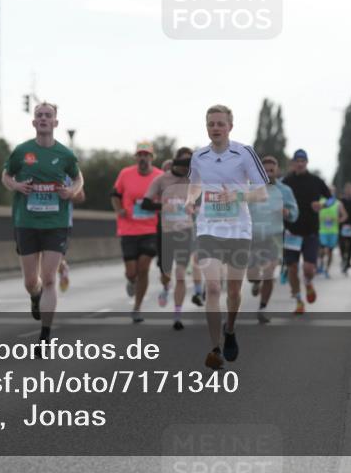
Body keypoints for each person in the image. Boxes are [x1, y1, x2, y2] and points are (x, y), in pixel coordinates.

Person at [185, 105, 268, 369]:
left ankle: (230, 328)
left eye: (220, 124)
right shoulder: (199, 156)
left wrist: (237, 195)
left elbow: (262, 193)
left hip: (238, 229)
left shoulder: (244, 153)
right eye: (211, 124)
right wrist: (189, 199)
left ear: (230, 126)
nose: (215, 128)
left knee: (233, 290)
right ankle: (215, 348)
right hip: (208, 228)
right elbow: (195, 184)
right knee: (212, 287)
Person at [1, 102, 83, 355]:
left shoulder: (66, 155)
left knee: (49, 278)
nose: (44, 119)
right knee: (30, 281)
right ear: (34, 122)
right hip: (26, 222)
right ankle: (34, 297)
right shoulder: (22, 151)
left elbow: (79, 178)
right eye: (40, 116)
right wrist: (15, 186)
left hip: (55, 224)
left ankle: (45, 336)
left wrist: (71, 191)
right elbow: (6, 175)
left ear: (56, 122)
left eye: (48, 116)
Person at [142, 146, 195, 330]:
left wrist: (194, 208)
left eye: (190, 162)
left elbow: (204, 203)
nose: (186, 167)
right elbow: (146, 203)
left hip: (185, 231)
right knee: (166, 274)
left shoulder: (193, 181)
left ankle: (177, 315)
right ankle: (165, 287)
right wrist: (162, 207)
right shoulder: (162, 179)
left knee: (180, 275)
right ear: (175, 161)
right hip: (165, 232)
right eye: (183, 162)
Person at [111, 142, 164, 323]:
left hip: (150, 228)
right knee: (131, 272)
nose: (143, 158)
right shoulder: (125, 174)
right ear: (136, 158)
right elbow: (115, 195)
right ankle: (131, 281)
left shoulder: (159, 176)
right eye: (140, 155)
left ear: (151, 157)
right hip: (128, 228)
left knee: (144, 268)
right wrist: (119, 210)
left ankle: (137, 307)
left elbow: (167, 198)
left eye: (146, 155)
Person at [248, 155, 298, 324]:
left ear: (277, 171)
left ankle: (262, 308)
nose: (269, 173)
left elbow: (294, 212)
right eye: (265, 170)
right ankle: (255, 282)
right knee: (253, 274)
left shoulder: (285, 191)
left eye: (272, 170)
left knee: (270, 273)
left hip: (275, 237)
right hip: (254, 236)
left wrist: (288, 213)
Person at [282, 149, 331, 314]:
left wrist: (322, 205)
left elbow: (331, 198)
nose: (300, 163)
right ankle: (298, 300)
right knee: (292, 268)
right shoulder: (286, 182)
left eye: (303, 161)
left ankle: (308, 283)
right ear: (293, 163)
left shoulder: (316, 181)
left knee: (309, 268)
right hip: (291, 232)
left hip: (311, 231)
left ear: (307, 162)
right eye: (297, 160)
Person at [317, 189, 347, 278]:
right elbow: (314, 213)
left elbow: (345, 215)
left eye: (332, 191)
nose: (330, 192)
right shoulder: (320, 202)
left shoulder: (338, 203)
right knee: (323, 249)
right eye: (329, 190)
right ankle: (321, 263)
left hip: (333, 231)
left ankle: (327, 270)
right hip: (322, 231)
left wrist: (339, 220)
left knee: (330, 252)